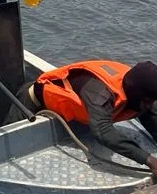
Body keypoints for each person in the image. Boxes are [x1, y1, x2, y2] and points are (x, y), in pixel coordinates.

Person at [28, 60, 157, 178]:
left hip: (77, 118)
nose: (150, 104)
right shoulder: (100, 95)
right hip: (33, 105)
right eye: (148, 101)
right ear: (138, 95)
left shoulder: (135, 85)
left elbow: (150, 113)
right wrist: (149, 160)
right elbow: (102, 130)